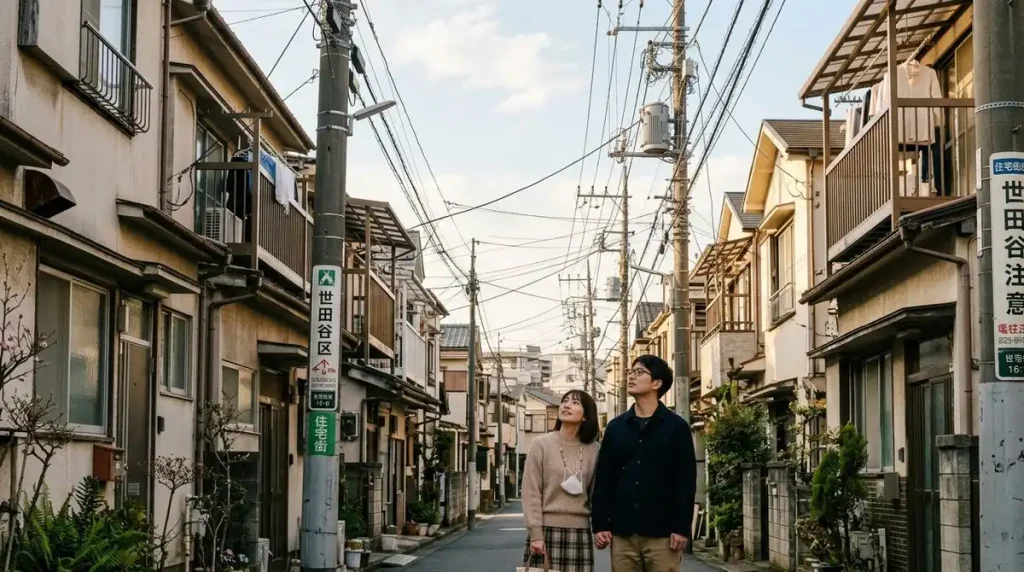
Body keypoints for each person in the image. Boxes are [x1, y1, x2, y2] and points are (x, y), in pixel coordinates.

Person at [591, 354, 696, 572]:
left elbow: (685, 481)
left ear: (657, 383)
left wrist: (681, 527)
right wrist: (600, 523)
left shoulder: (676, 428)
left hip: (663, 533)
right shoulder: (616, 427)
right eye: (631, 372)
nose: (631, 376)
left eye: (640, 373)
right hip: (623, 532)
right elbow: (604, 478)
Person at [521, 389, 601, 572]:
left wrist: (601, 528)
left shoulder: (595, 450)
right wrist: (536, 534)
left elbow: (597, 494)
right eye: (565, 401)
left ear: (586, 416)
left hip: (580, 534)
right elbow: (531, 492)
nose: (566, 405)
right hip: (545, 532)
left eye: (575, 402)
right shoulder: (540, 445)